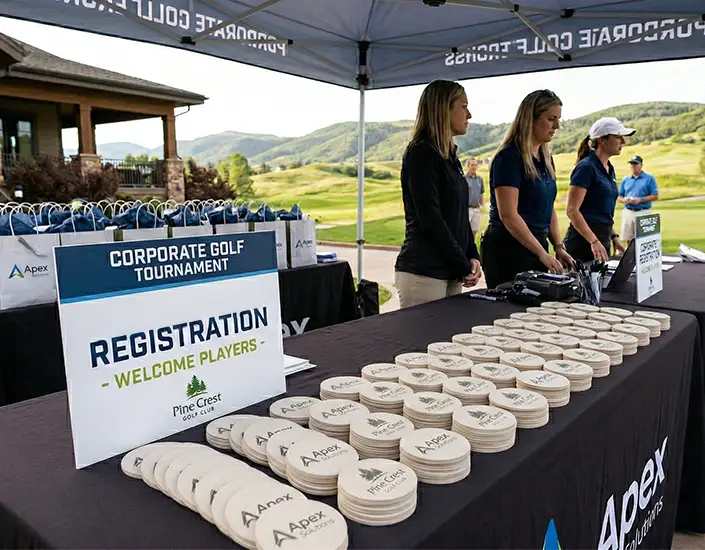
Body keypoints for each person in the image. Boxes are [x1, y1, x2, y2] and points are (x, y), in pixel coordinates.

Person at [394, 80, 482, 308]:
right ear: (444, 108)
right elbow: (431, 219)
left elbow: (459, 216)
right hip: (424, 272)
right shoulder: (421, 153)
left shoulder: (449, 156)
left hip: (451, 270)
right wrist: (462, 264)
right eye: (464, 106)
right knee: (423, 344)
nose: (469, 114)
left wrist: (472, 256)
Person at [480, 89, 574, 290]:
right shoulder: (509, 158)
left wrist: (558, 246)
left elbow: (548, 208)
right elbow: (509, 215)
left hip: (536, 246)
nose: (556, 126)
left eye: (558, 119)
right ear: (530, 118)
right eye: (551, 119)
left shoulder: (546, 159)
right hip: (508, 249)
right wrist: (541, 253)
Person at [563, 117, 633, 262]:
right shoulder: (586, 167)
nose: (623, 142)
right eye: (618, 137)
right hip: (582, 245)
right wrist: (593, 241)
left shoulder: (609, 168)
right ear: (602, 140)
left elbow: (602, 212)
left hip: (601, 241)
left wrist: (613, 237)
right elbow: (572, 210)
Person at [618, 155, 659, 245]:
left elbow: (655, 196)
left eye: (636, 164)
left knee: (644, 239)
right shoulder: (626, 179)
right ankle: (629, 258)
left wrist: (640, 200)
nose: (633, 166)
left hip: (643, 211)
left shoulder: (649, 178)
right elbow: (619, 197)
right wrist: (625, 200)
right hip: (628, 211)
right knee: (628, 237)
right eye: (632, 164)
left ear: (641, 165)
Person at [464, 158, 485, 239]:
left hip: (477, 209)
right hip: (467, 209)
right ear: (468, 166)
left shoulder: (480, 179)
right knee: (465, 230)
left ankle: (471, 248)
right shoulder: (464, 179)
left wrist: (482, 205)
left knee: (474, 230)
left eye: (475, 165)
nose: (474, 167)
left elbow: (481, 193)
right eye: (472, 165)